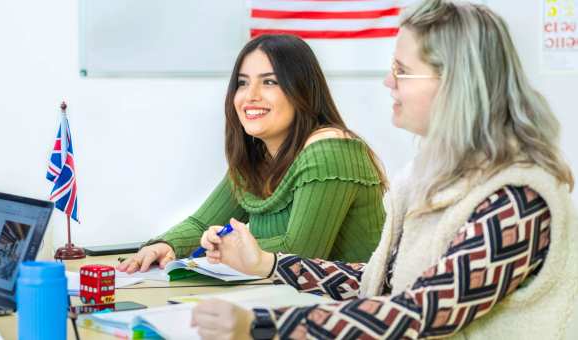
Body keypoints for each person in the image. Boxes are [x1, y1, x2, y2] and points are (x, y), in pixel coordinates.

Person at [191, 1, 577, 339]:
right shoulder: (428, 180)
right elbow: (381, 283)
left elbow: (423, 311)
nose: (388, 82)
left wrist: (266, 326)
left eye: (402, 71)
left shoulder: (516, 199)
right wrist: (268, 263)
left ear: (456, 82)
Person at [118, 34, 388, 273]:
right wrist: (166, 245)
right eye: (243, 83)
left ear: (302, 91)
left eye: (269, 82)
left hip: (354, 313)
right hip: (291, 303)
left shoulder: (331, 150)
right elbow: (203, 222)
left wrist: (223, 246)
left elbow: (301, 253)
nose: (250, 96)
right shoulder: (259, 154)